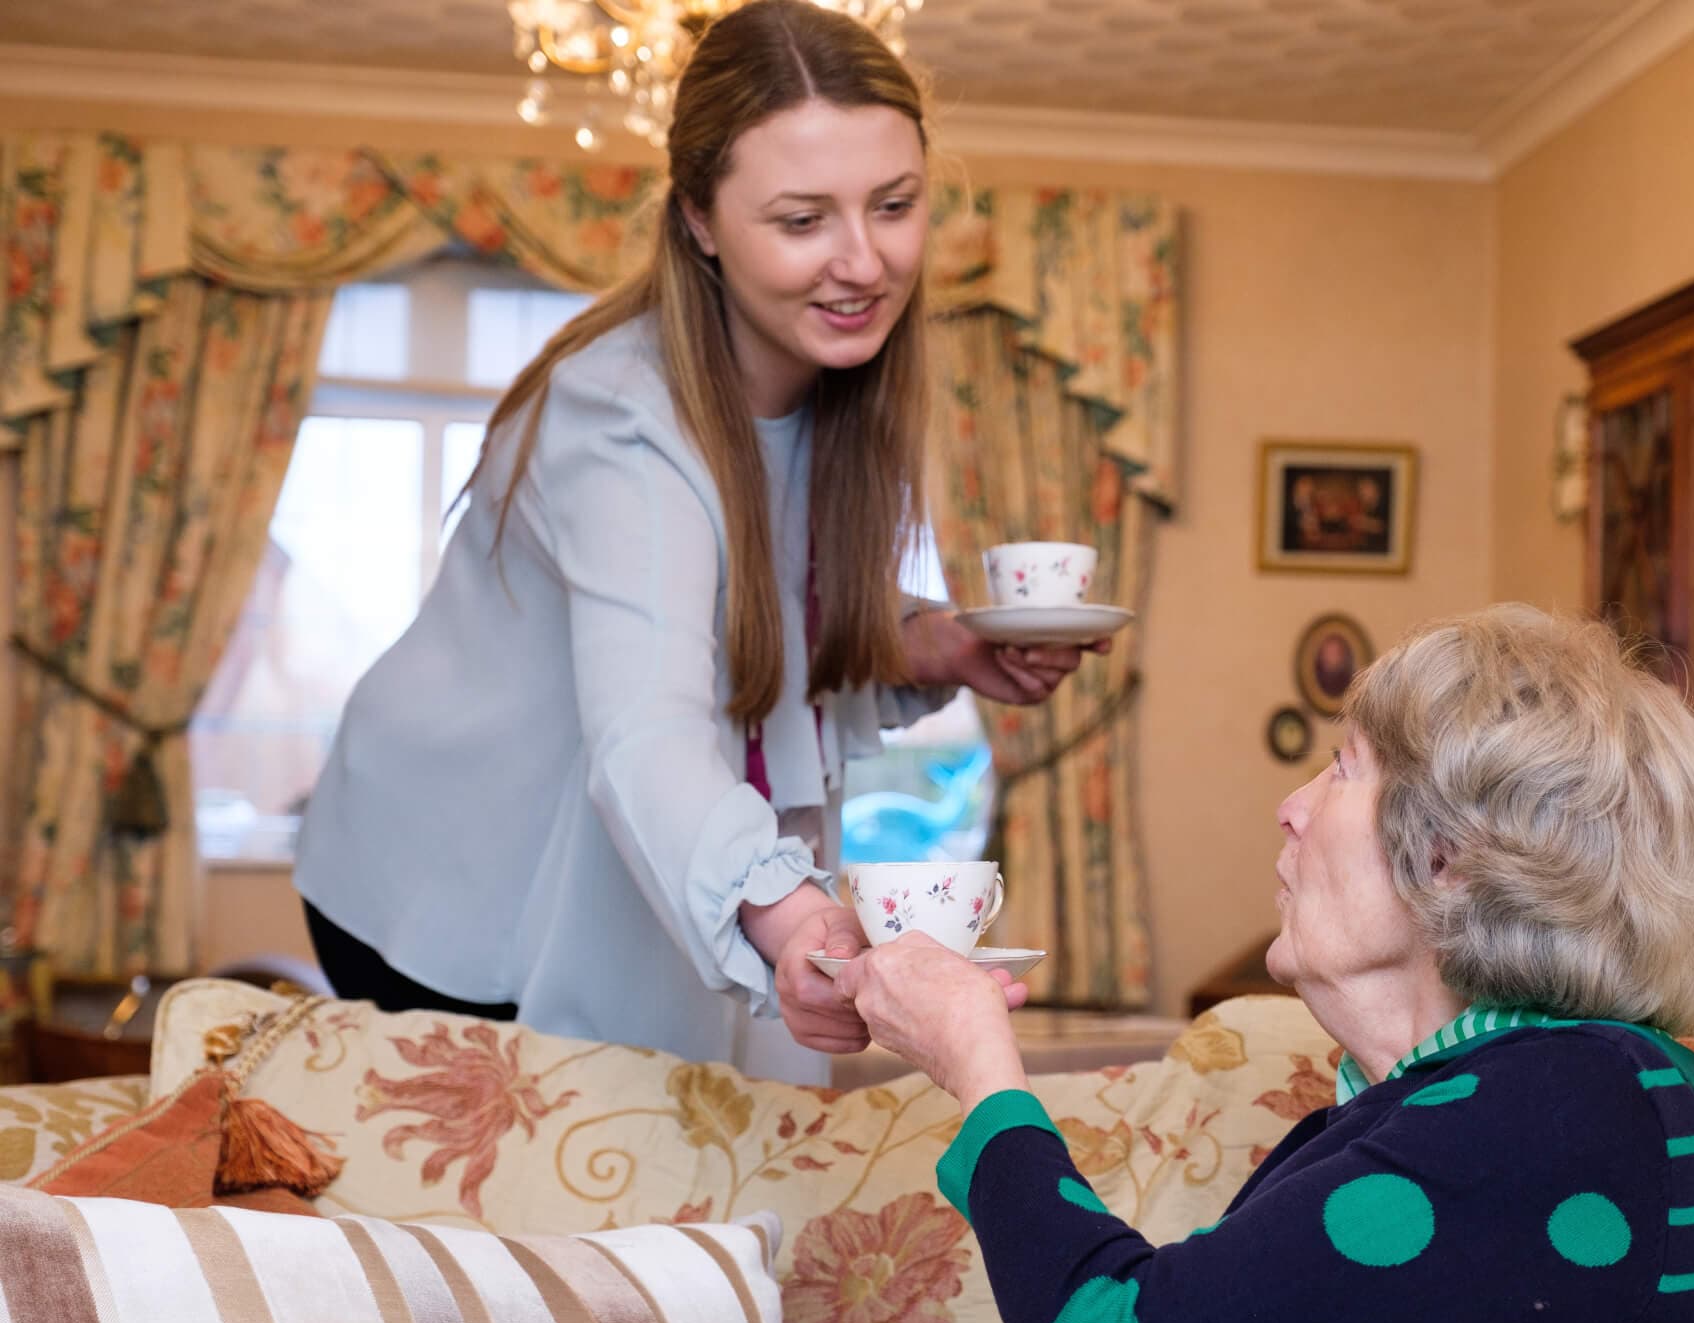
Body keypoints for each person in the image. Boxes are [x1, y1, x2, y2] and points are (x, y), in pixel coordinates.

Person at [293, 0, 1099, 1083]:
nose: (862, 262)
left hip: (589, 850)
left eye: (893, 205)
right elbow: (652, 733)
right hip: (447, 884)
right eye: (802, 220)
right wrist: (794, 917)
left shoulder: (828, 393)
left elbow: (761, 636)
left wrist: (937, 647)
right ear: (700, 221)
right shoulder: (623, 423)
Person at [838, 605, 1694, 1323]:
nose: (1290, 808)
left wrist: (979, 1066)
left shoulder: (1572, 1101)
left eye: (1340, 769)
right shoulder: (1461, 1111)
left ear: (1447, 856)